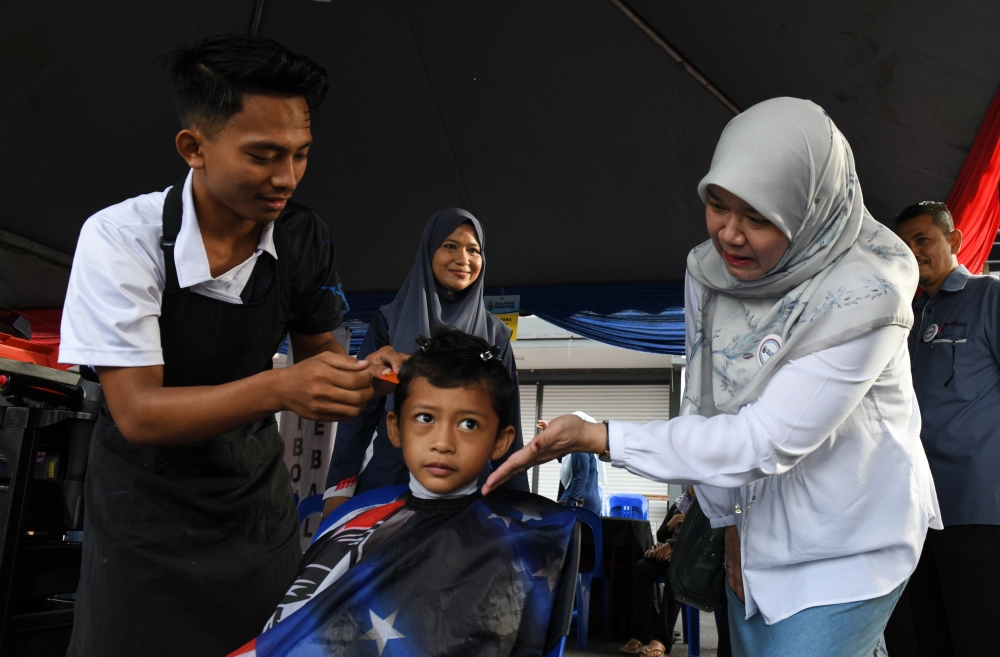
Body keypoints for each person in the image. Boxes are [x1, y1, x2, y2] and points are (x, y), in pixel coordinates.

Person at [484, 97, 941, 657]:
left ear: (810, 208)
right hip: (756, 533)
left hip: (848, 541)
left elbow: (764, 439)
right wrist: (731, 530)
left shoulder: (867, 292)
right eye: (718, 205)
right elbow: (708, 402)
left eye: (758, 217)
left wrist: (601, 435)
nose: (729, 234)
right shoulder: (711, 271)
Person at [57, 34, 401, 656]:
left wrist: (358, 373)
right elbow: (137, 412)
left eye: (300, 155)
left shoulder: (302, 237)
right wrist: (278, 387)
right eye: (264, 155)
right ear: (194, 147)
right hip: (143, 505)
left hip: (251, 497)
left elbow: (318, 350)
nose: (286, 178)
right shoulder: (121, 239)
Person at [227, 328, 579, 657]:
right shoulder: (354, 522)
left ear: (502, 440)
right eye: (425, 418)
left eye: (468, 424)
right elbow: (294, 629)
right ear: (395, 429)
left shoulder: (530, 541)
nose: (443, 443)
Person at [323, 209, 528, 518]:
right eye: (450, 246)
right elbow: (361, 412)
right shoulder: (389, 321)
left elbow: (508, 421)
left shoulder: (496, 335)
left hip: (468, 496)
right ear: (427, 251)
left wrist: (518, 505)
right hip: (389, 484)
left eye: (474, 250)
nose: (463, 259)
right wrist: (338, 492)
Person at [892, 201, 1000, 656]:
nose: (913, 252)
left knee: (979, 638)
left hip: (976, 508)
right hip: (916, 513)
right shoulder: (905, 318)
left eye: (923, 240)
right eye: (904, 245)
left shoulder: (987, 296)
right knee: (926, 639)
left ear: (953, 241)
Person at [618, 488, 690, 657]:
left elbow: (703, 537)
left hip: (691, 560)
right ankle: (641, 634)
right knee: (640, 569)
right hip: (669, 558)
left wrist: (672, 545)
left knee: (675, 575)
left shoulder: (708, 507)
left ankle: (662, 639)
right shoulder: (680, 504)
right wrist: (670, 524)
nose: (692, 487)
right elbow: (660, 536)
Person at [540, 412, 605, 514]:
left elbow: (581, 477)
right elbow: (563, 457)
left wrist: (569, 504)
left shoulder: (580, 448)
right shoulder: (585, 446)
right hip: (586, 502)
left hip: (579, 504)